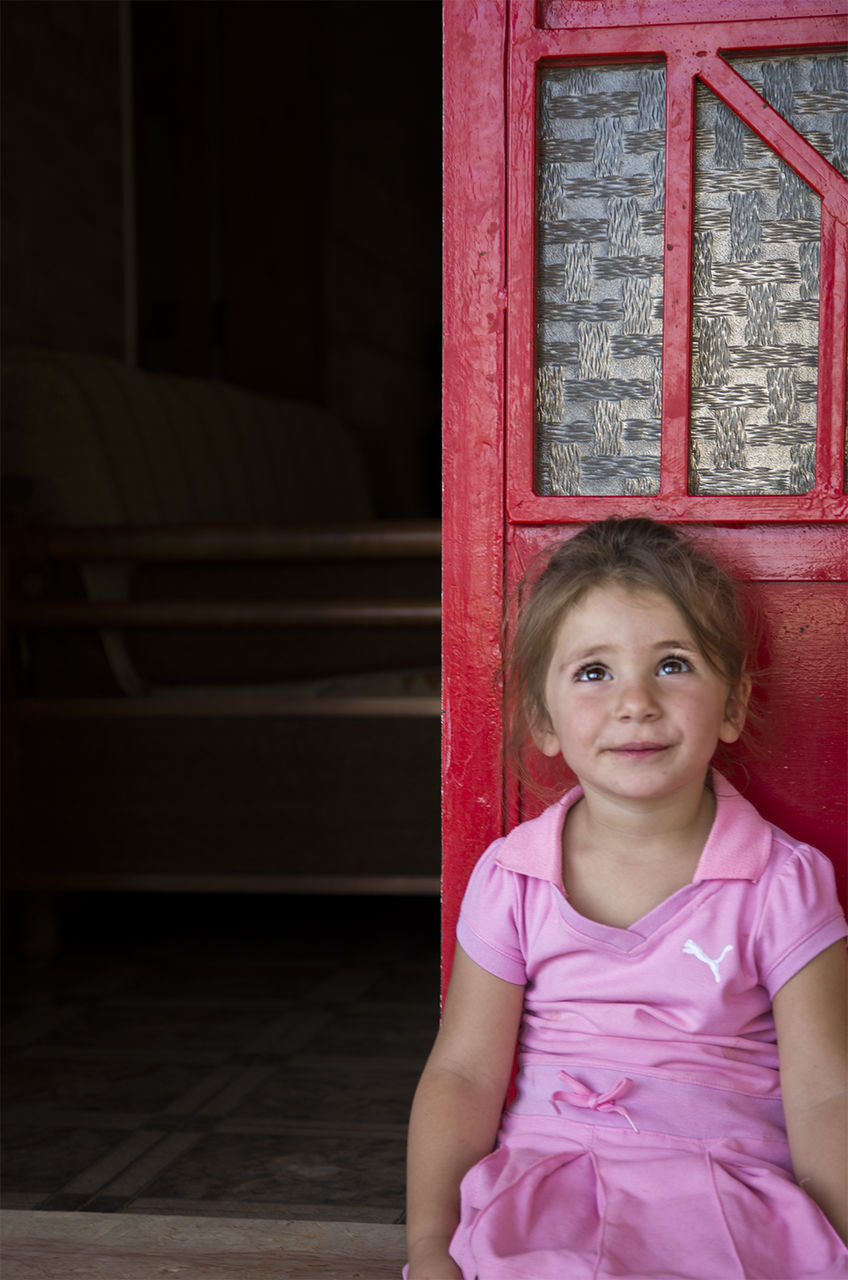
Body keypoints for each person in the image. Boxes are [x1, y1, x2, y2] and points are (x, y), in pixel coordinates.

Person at [405, 516, 848, 1279]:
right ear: (543, 720)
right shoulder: (514, 877)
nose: (636, 701)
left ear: (733, 705)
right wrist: (427, 1245)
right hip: (549, 1190)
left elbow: (823, 1092)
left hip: (724, 1190)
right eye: (593, 672)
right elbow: (464, 1075)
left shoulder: (783, 881)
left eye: (672, 665)